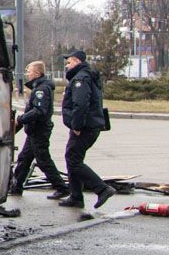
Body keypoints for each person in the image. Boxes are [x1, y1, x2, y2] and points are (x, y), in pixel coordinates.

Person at [60, 50, 115, 218]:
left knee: (74, 160)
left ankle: (102, 189)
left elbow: (81, 104)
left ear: (76, 61)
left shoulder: (80, 78)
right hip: (88, 125)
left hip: (84, 127)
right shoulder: (86, 76)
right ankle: (76, 196)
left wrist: (76, 125)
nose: (67, 66)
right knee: (72, 157)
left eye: (68, 63)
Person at [8, 60, 70, 198]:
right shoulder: (39, 87)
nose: (27, 74)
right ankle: (16, 186)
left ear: (37, 73)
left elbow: (39, 110)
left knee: (43, 160)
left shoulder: (41, 89)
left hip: (39, 130)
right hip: (34, 130)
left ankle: (61, 187)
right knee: (24, 158)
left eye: (29, 71)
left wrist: (21, 119)